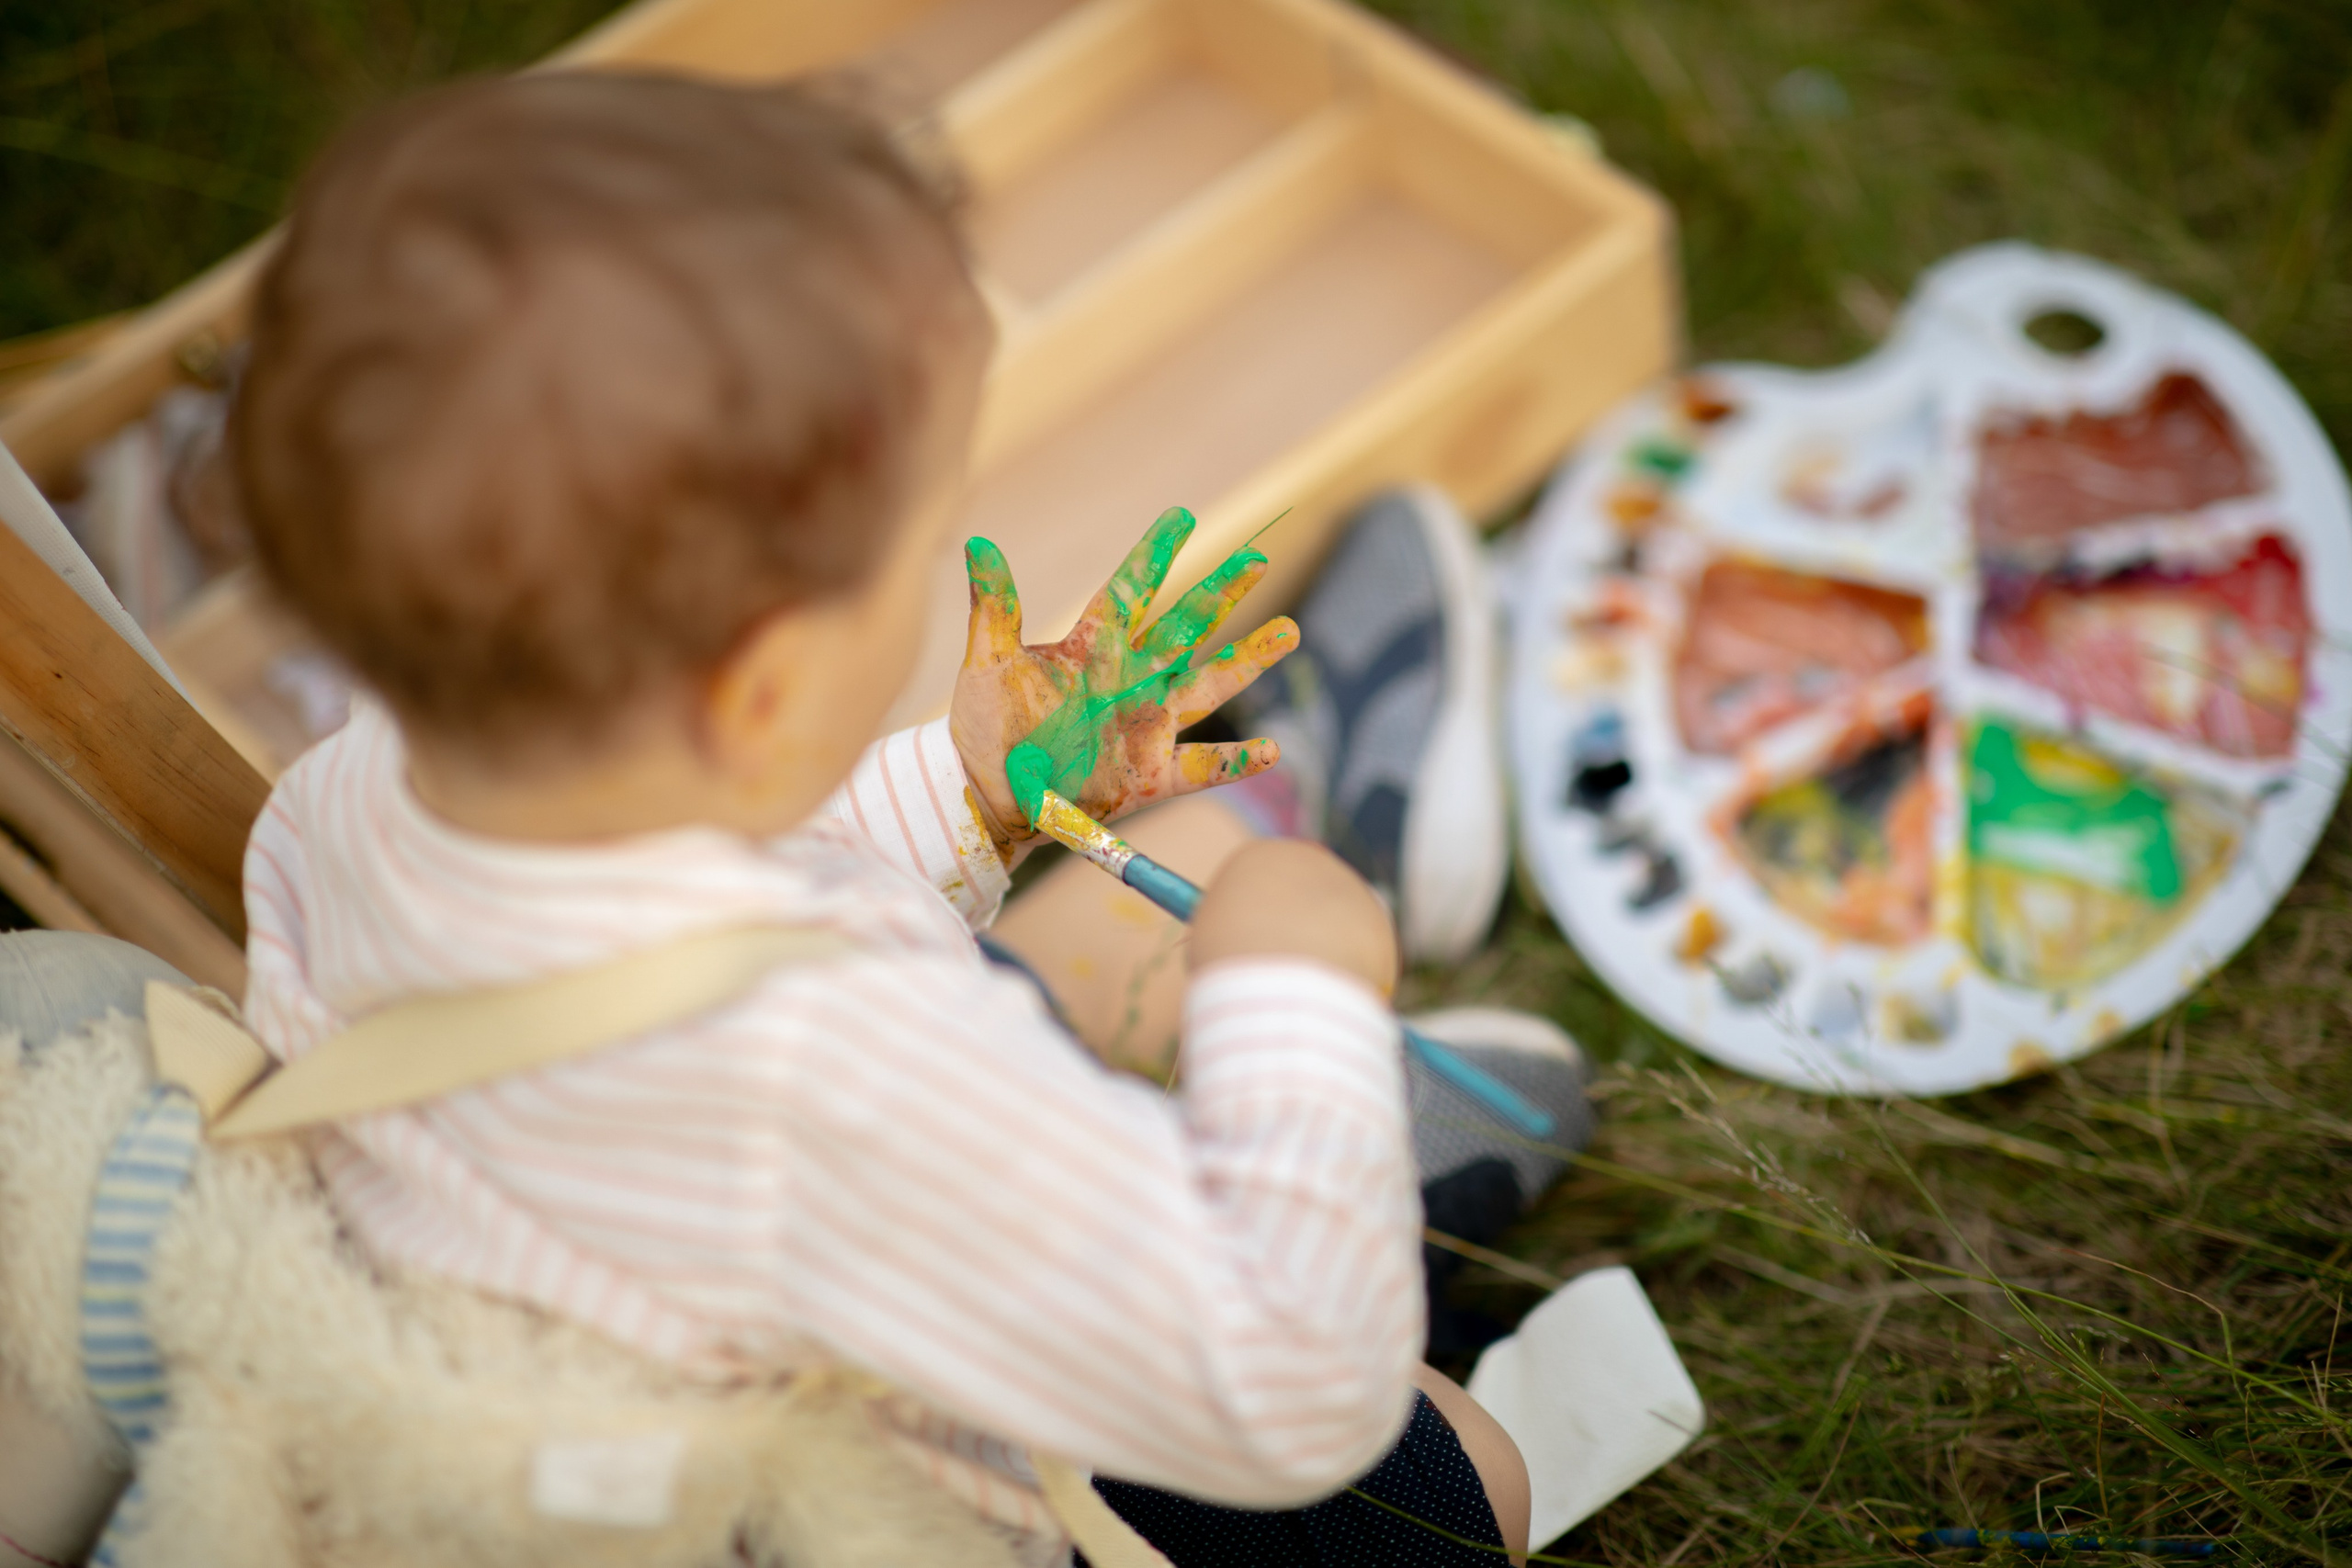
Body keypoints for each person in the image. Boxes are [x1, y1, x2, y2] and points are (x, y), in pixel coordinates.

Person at [1, 71, 1591, 1566]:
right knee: (1464, 1482)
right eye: (915, 533)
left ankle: (1247, 1136)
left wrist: (968, 796)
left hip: (593, 1222)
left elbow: (688, 933)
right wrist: (1298, 991)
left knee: (1199, 861)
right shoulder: (827, 1065)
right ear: (765, 692)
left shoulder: (370, 779)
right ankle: (1320, 1181)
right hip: (841, 1443)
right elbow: (1290, 1392)